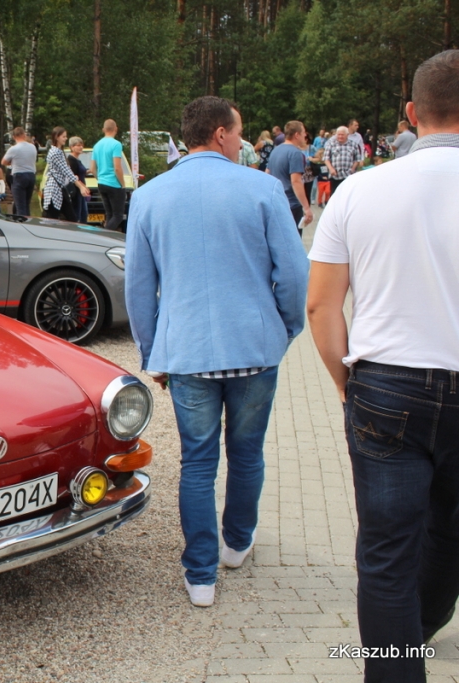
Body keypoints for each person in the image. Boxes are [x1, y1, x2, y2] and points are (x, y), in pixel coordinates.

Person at [306, 49, 459, 683]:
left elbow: (321, 306)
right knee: (448, 535)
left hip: (386, 384)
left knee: (386, 555)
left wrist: (349, 385)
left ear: (411, 113)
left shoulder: (359, 190)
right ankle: (421, 627)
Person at [124, 96, 309, 609]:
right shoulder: (262, 188)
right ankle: (236, 542)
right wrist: (284, 329)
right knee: (247, 452)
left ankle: (201, 574)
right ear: (222, 133)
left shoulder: (149, 196)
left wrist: (152, 352)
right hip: (253, 346)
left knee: (198, 462)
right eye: (240, 132)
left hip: (187, 351)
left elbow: (138, 286)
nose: (242, 141)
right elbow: (295, 273)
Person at [266, 120, 313, 233]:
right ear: (297, 135)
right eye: (303, 132)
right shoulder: (295, 153)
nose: (305, 135)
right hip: (291, 204)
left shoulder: (276, 150)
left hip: (277, 202)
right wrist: (306, 207)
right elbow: (296, 181)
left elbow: (267, 173)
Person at [42, 126, 89, 222]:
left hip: (60, 189)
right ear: (57, 137)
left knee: (70, 218)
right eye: (63, 136)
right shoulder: (55, 153)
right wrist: (81, 186)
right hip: (54, 190)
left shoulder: (59, 152)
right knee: (55, 219)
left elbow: (66, 171)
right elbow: (67, 171)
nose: (66, 138)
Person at [89, 119, 126, 231]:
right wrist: (123, 184)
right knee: (118, 216)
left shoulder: (97, 145)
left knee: (109, 214)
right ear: (116, 129)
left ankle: (106, 235)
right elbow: (117, 168)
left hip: (102, 183)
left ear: (103, 130)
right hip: (113, 183)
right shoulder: (116, 144)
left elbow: (92, 169)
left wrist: (99, 178)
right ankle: (105, 234)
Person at [0, 126, 37, 217]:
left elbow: (3, 162)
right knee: (27, 204)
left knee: (20, 206)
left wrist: (12, 162)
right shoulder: (32, 147)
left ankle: (21, 222)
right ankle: (28, 220)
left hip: (19, 175)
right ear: (24, 135)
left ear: (14, 137)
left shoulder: (14, 149)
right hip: (31, 175)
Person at [322, 126, 363, 196]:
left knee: (347, 195)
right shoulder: (331, 144)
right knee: (335, 196)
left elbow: (357, 159)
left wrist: (353, 169)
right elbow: (326, 158)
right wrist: (331, 169)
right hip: (335, 175)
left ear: (347, 135)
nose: (340, 136)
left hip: (348, 175)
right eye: (338, 134)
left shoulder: (353, 145)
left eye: (342, 135)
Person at [67, 136, 90, 222]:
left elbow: (81, 172)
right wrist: (81, 187)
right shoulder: (71, 160)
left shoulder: (77, 160)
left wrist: (90, 170)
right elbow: (73, 176)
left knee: (84, 214)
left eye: (81, 145)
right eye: (78, 145)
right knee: (78, 215)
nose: (81, 147)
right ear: (72, 147)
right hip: (76, 191)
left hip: (81, 191)